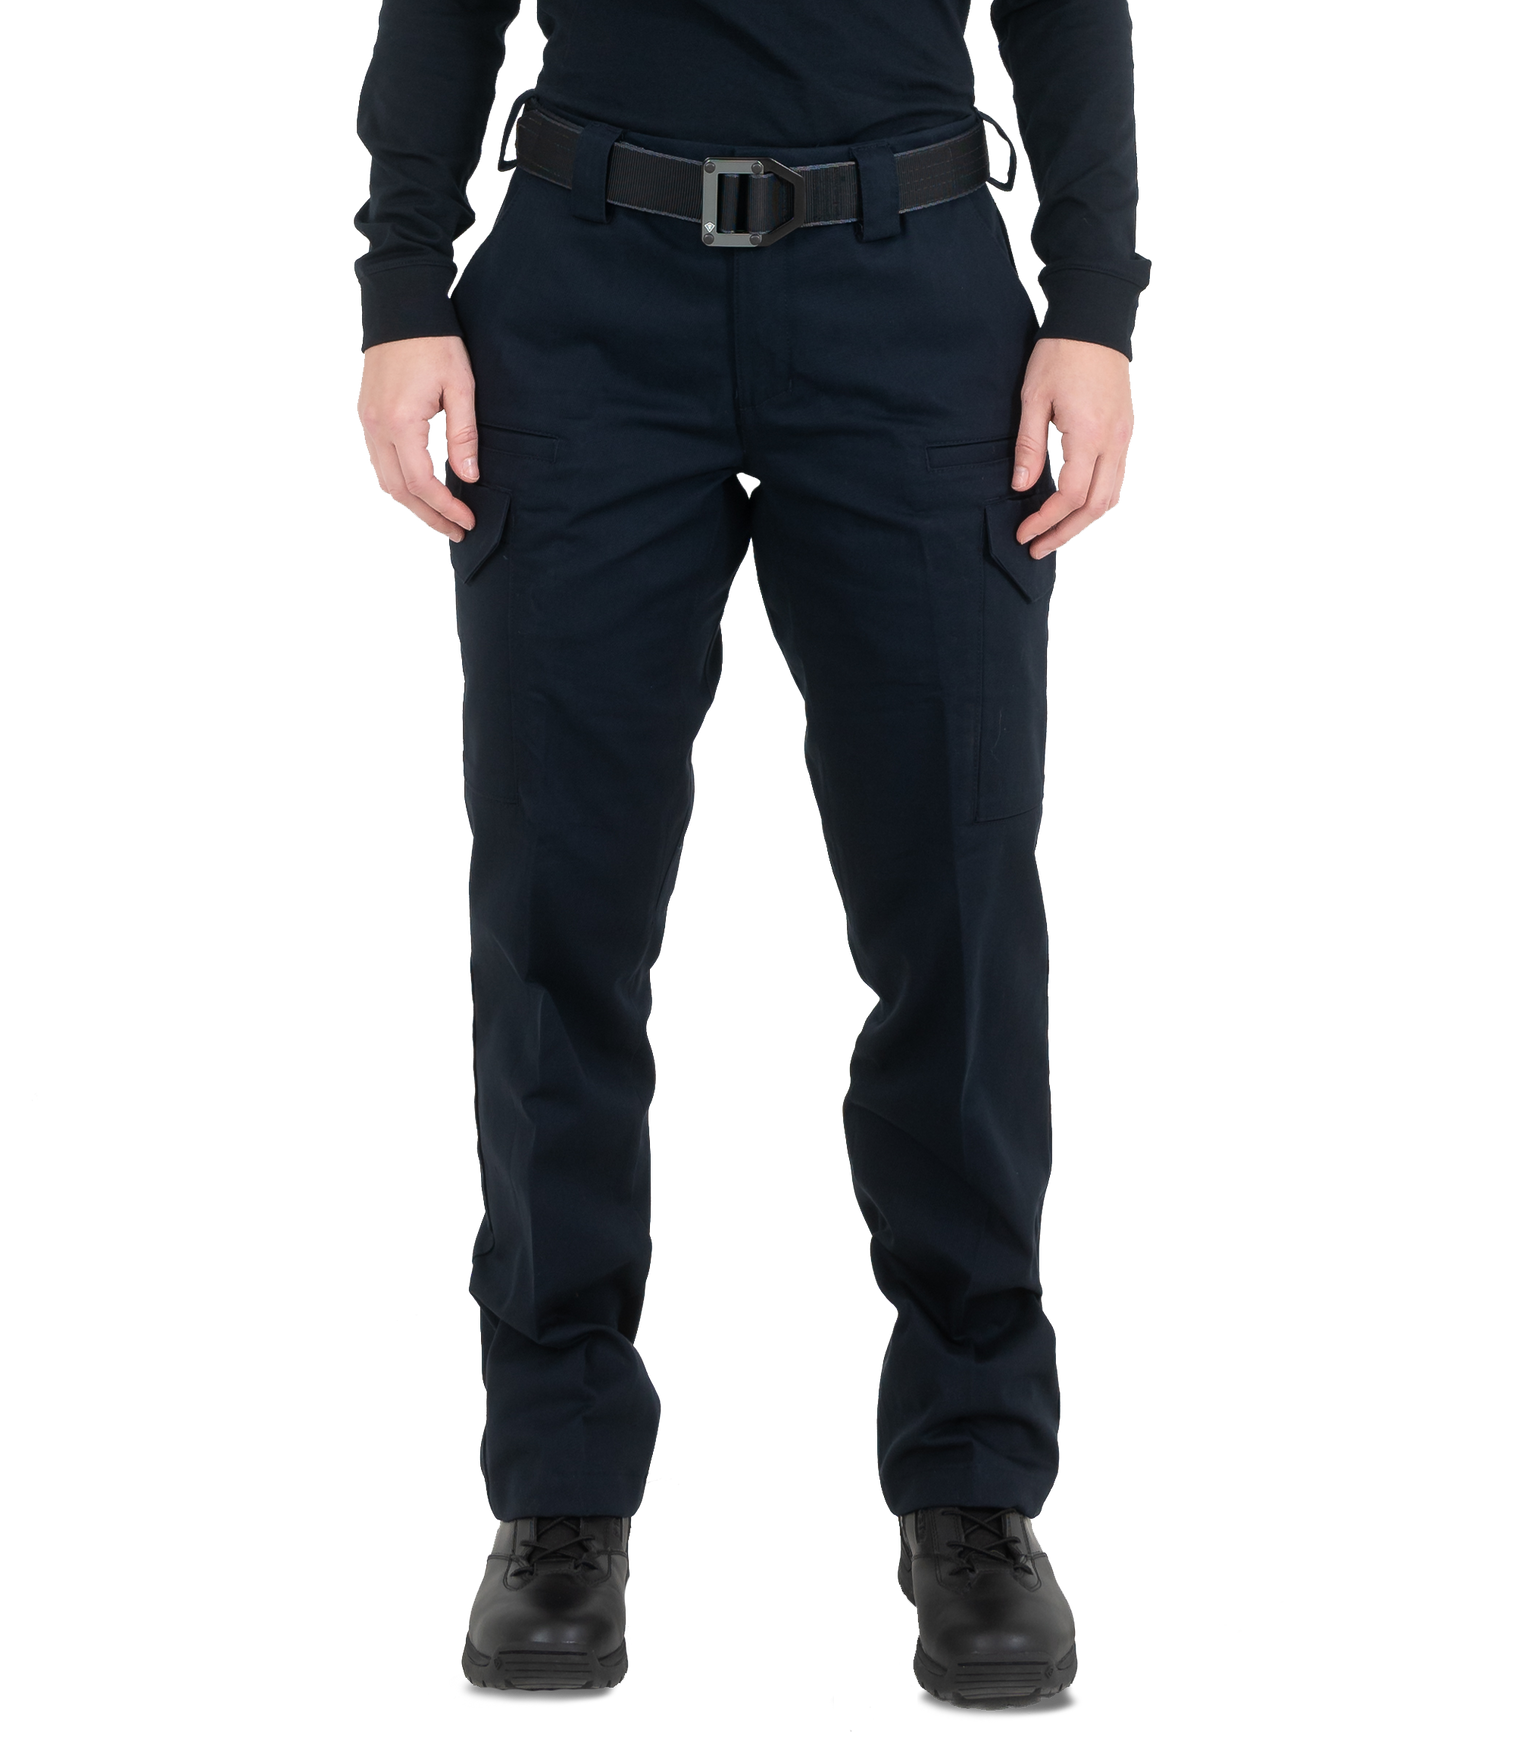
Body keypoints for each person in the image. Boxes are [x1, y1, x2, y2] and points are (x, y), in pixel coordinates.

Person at [350, 0, 1150, 1709]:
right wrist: (400, 285)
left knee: (959, 914)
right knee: (557, 915)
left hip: (913, 296)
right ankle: (559, 1483)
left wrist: (1093, 304)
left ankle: (974, 1478)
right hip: (581, 302)